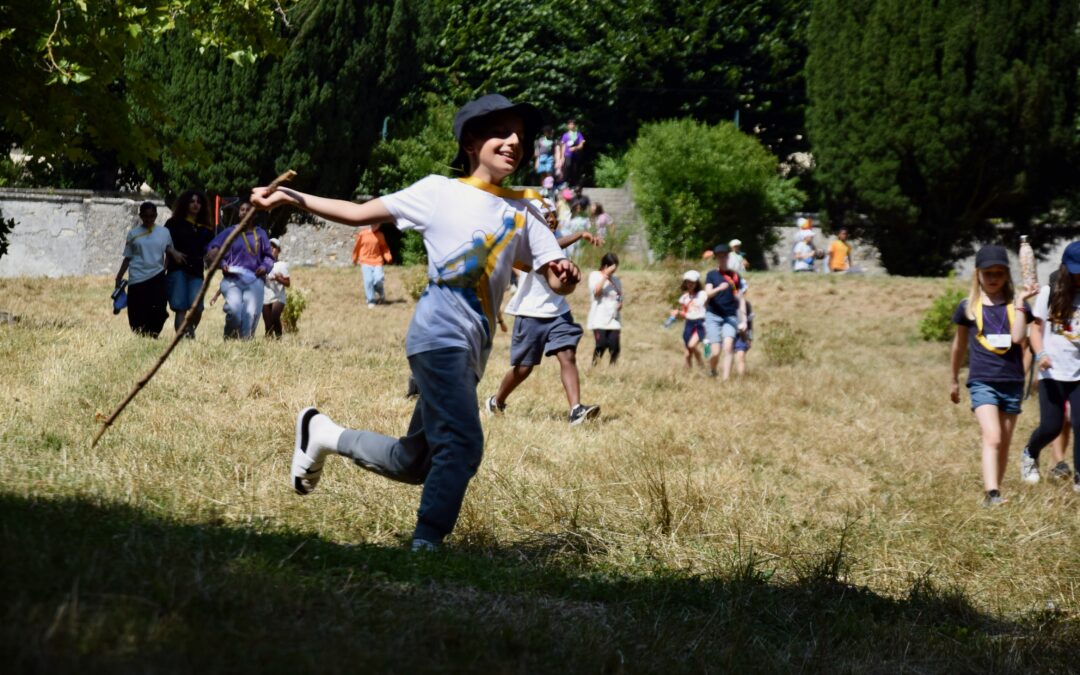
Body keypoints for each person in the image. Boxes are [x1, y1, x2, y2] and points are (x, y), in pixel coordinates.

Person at [252, 94, 580, 552]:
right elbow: (355, 212)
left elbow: (555, 276)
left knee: (416, 461)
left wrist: (565, 275)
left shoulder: (523, 211)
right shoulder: (437, 193)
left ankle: (324, 434)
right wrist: (287, 196)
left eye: (520, 137)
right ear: (470, 141)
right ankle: (426, 546)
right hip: (437, 338)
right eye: (502, 133)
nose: (514, 143)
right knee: (463, 447)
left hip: (471, 353)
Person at [485, 200, 602, 424]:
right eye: (543, 215)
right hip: (530, 312)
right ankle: (496, 401)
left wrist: (579, 235)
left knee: (567, 355)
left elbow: (556, 245)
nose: (549, 218)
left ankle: (576, 410)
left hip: (558, 311)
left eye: (552, 214)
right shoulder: (525, 244)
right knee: (523, 368)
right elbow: (531, 262)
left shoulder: (554, 245)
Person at [949, 245, 1035, 505]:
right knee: (993, 436)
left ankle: (995, 493)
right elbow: (958, 346)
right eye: (988, 273)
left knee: (1005, 442)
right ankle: (992, 492)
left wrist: (1021, 304)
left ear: (1008, 275)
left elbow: (1021, 339)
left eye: (999, 273)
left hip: (1012, 382)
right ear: (978, 275)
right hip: (982, 380)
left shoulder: (1016, 307)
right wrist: (953, 378)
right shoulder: (968, 308)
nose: (994, 278)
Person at [1019, 242, 1080, 492]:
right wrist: (1040, 353)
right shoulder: (1050, 292)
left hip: (1078, 372)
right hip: (1052, 371)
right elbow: (1035, 330)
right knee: (1051, 427)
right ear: (1066, 268)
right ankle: (1030, 453)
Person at [205, 200, 276, 340]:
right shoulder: (230, 232)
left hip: (255, 278)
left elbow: (269, 257)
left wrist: (264, 267)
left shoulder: (260, 234)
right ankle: (229, 340)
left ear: (254, 214)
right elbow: (213, 248)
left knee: (250, 314)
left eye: (248, 210)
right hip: (232, 278)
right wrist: (222, 262)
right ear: (238, 213)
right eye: (242, 209)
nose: (244, 212)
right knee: (234, 311)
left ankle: (244, 346)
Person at [114, 201, 185, 337]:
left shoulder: (164, 232)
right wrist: (119, 277)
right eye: (146, 216)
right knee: (136, 311)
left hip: (157, 276)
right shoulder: (133, 234)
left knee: (159, 309)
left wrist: (164, 267)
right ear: (140, 216)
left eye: (152, 216)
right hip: (137, 278)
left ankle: (153, 334)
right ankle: (140, 334)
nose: (149, 219)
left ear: (156, 215)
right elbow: (128, 257)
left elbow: (169, 251)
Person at [165, 190, 215, 338]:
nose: (195, 205)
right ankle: (184, 339)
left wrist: (211, 255)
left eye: (198, 202)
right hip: (177, 269)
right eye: (192, 201)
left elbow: (210, 249)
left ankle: (188, 331)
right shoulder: (173, 223)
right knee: (181, 308)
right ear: (185, 203)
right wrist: (174, 252)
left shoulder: (206, 229)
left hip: (196, 272)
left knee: (197, 308)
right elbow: (163, 243)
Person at [704, 244, 748, 379]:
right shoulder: (712, 275)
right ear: (716, 258)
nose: (722, 259)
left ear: (728, 257)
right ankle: (712, 369)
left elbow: (741, 300)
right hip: (713, 316)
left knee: (729, 348)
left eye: (725, 256)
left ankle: (725, 380)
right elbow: (707, 294)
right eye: (720, 256)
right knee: (715, 352)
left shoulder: (736, 277)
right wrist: (719, 289)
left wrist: (744, 320)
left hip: (730, 316)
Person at [588, 252, 622, 365]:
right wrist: (605, 276)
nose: (614, 271)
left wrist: (620, 304)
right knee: (601, 345)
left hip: (614, 319)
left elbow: (619, 296)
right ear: (606, 265)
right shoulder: (595, 275)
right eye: (612, 268)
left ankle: (613, 368)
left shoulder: (616, 280)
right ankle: (594, 367)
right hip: (599, 318)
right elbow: (596, 292)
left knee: (615, 347)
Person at [669, 270, 707, 370]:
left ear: (697, 283)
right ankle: (689, 375)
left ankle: (701, 364)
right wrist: (677, 313)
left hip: (700, 324)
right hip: (689, 324)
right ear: (685, 283)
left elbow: (709, 307)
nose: (690, 284)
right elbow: (686, 314)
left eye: (692, 282)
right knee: (687, 354)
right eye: (688, 282)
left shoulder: (703, 294)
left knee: (691, 345)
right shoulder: (684, 298)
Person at [352, 222, 393, 308]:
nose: (375, 225)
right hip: (365, 261)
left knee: (379, 279)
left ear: (379, 225)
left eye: (377, 224)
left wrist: (388, 256)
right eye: (373, 223)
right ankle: (371, 300)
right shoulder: (363, 234)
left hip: (377, 261)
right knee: (368, 281)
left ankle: (379, 290)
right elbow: (357, 247)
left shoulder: (380, 235)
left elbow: (384, 247)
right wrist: (355, 258)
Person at [262, 238, 290, 338]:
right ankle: (268, 346)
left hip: (278, 297)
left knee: (275, 316)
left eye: (274, 247)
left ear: (279, 250)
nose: (271, 249)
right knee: (268, 325)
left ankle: (279, 338)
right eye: (270, 247)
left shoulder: (282, 265)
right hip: (265, 297)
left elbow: (287, 283)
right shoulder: (262, 264)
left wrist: (278, 279)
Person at [557, 118, 586, 186]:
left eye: (573, 124)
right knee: (568, 167)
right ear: (568, 126)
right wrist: (561, 157)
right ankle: (566, 182)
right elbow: (563, 146)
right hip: (567, 155)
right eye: (570, 124)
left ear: (575, 126)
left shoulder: (578, 134)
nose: (571, 125)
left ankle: (574, 184)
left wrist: (575, 148)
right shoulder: (565, 135)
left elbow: (581, 145)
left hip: (576, 155)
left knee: (575, 170)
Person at [734, 300, 754, 376]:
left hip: (742, 334)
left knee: (741, 355)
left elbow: (750, 323)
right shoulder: (723, 302)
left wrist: (750, 338)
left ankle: (741, 379)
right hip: (728, 334)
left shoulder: (747, 304)